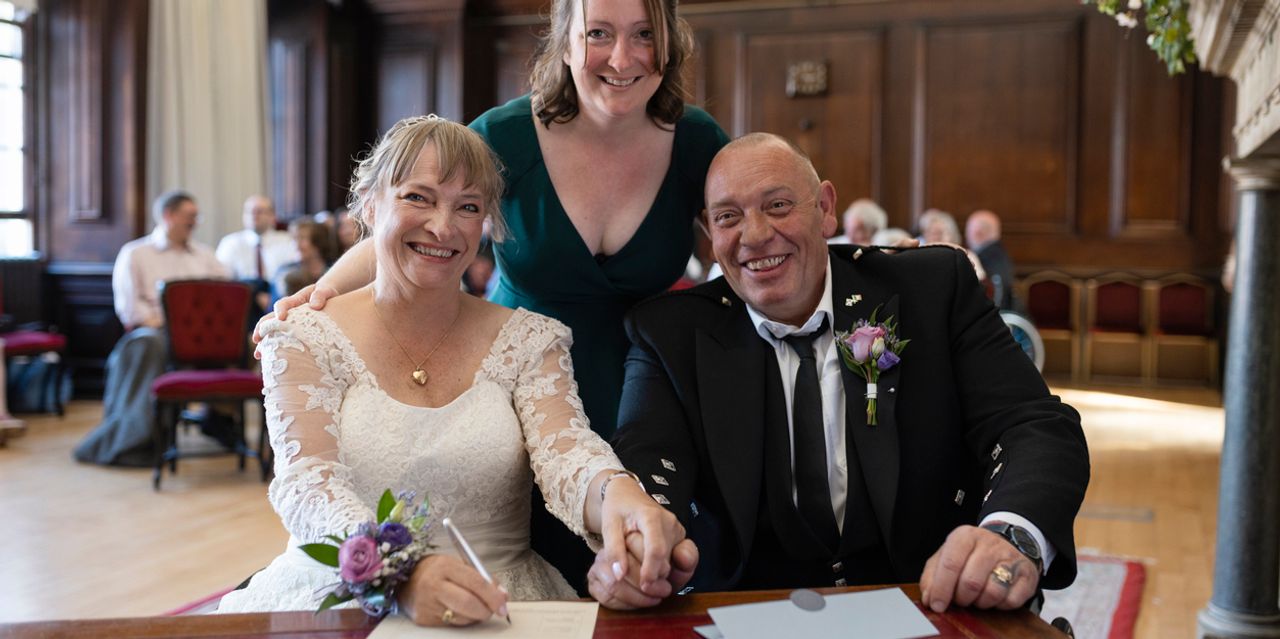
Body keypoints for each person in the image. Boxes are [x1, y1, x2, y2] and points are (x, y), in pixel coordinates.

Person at [266, 0, 728, 590]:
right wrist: (325, 295)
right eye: (599, 33)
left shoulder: (695, 140)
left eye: (644, 34)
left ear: (669, 43)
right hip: (498, 373)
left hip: (640, 379)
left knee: (629, 563)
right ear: (565, 41)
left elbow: (743, 239)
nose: (622, 57)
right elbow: (407, 222)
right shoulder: (502, 136)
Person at [218, 116, 687, 624]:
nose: (443, 228)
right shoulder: (304, 334)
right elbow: (308, 484)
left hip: (502, 599)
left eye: (468, 207)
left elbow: (567, 455)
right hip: (344, 596)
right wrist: (399, 572)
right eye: (418, 198)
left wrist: (621, 497)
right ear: (370, 204)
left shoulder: (529, 340)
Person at [592, 134, 1089, 613]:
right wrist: (637, 542)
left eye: (778, 205)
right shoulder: (669, 334)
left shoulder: (934, 290)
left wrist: (1010, 533)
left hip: (934, 598)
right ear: (709, 233)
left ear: (826, 208)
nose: (755, 235)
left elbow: (1033, 424)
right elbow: (647, 457)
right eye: (728, 217)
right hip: (744, 614)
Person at [73, 191, 231, 466]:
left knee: (251, 343)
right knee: (148, 343)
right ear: (168, 215)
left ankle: (222, 419)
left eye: (196, 216)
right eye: (190, 216)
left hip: (203, 339)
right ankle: (137, 438)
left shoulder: (205, 256)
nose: (195, 222)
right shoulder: (135, 254)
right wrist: (174, 327)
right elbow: (130, 309)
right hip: (156, 330)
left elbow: (227, 297)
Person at [216, 196, 300, 312]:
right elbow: (223, 279)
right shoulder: (230, 243)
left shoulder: (288, 241)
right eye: (249, 212)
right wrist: (255, 295)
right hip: (243, 302)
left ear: (273, 216)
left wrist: (272, 298)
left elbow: (294, 273)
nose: (254, 215)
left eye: (259, 211)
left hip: (280, 300)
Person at [273, 218, 337, 300]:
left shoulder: (334, 270)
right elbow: (275, 305)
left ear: (318, 242)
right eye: (294, 239)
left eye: (302, 238)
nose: (297, 245)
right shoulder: (284, 272)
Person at [965, 209, 1017, 312]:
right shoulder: (1000, 256)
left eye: (967, 232)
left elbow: (995, 302)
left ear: (978, 233)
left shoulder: (981, 260)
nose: (966, 237)